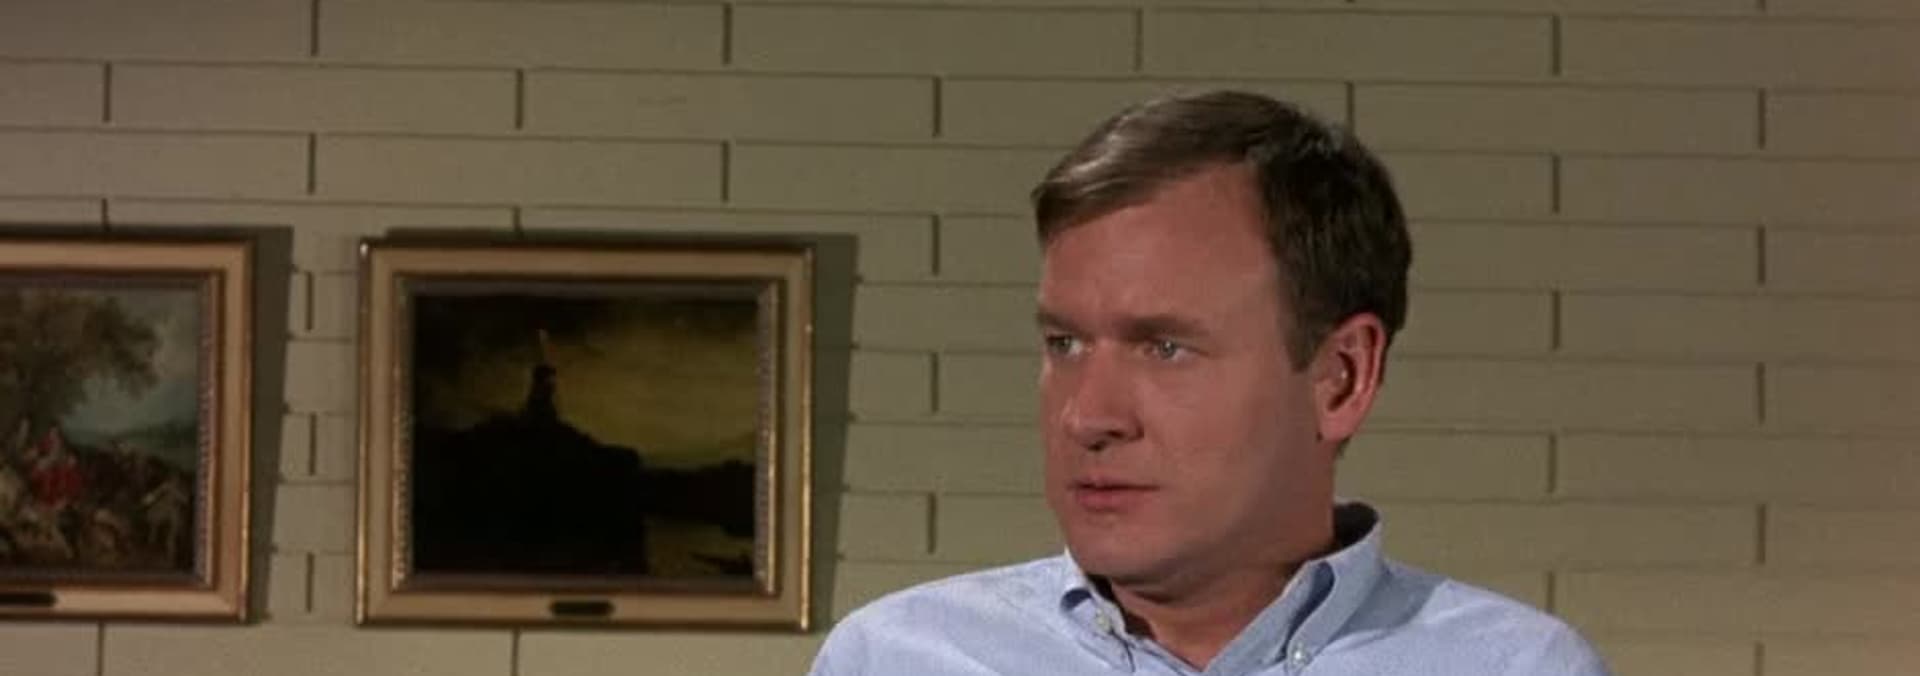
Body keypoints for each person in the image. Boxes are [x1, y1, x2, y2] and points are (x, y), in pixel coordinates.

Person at [807, 91, 1610, 675]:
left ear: (1340, 378)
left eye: (1164, 347)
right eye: (1065, 343)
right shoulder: (894, 659)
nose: (1088, 416)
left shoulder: (1519, 668)